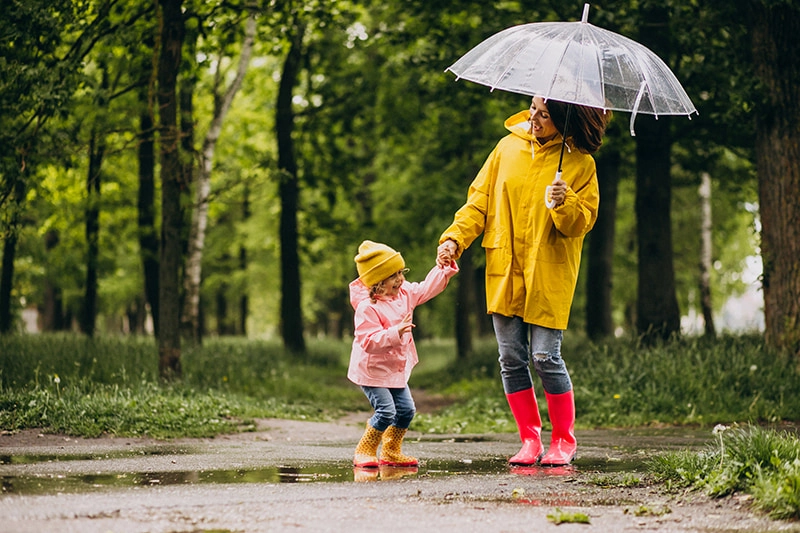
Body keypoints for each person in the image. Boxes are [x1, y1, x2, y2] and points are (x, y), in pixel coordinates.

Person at [436, 96, 610, 467]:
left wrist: (566, 201)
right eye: (533, 109)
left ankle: (563, 440)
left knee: (545, 356)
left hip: (548, 271)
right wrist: (454, 239)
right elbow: (478, 203)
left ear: (563, 119)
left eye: (544, 115)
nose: (534, 118)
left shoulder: (581, 163)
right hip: (505, 265)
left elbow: (582, 223)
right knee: (511, 359)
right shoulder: (506, 149)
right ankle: (530, 439)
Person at [349, 240, 458, 469]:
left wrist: (442, 268)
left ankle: (391, 451)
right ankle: (364, 450)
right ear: (378, 282)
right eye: (393, 275)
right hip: (372, 371)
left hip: (395, 368)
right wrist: (394, 333)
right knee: (386, 411)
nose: (400, 279)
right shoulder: (367, 307)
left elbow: (426, 288)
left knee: (406, 410)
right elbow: (368, 341)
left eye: (401, 272)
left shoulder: (405, 293)